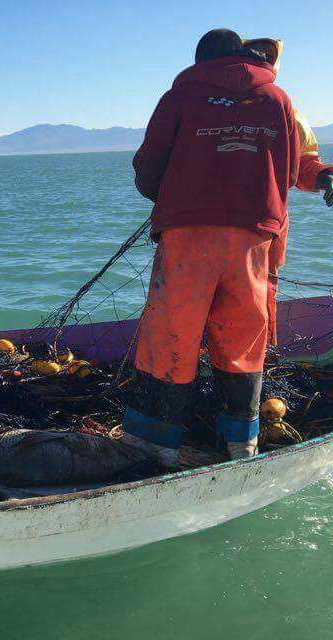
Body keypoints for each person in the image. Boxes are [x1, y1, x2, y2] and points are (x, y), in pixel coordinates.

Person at [122, 29, 301, 465]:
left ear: (200, 61)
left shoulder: (181, 96)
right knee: (242, 337)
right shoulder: (278, 99)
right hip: (253, 238)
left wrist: (171, 198)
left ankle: (154, 447)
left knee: (172, 334)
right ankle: (240, 442)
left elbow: (148, 167)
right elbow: (291, 171)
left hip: (188, 236)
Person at [243, 37, 333, 344]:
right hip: (234, 222)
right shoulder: (206, 104)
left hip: (264, 223)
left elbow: (305, 163)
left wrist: (324, 176)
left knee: (262, 292)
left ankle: (261, 357)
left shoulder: (285, 108)